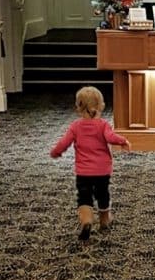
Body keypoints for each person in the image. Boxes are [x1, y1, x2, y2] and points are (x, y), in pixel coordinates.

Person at [50, 86, 130, 243]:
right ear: (101, 105)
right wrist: (123, 141)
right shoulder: (103, 125)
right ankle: (105, 220)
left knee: (84, 197)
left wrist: (56, 152)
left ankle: (87, 221)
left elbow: (64, 142)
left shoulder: (75, 126)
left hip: (83, 172)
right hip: (102, 170)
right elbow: (111, 137)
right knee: (103, 194)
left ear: (78, 107)